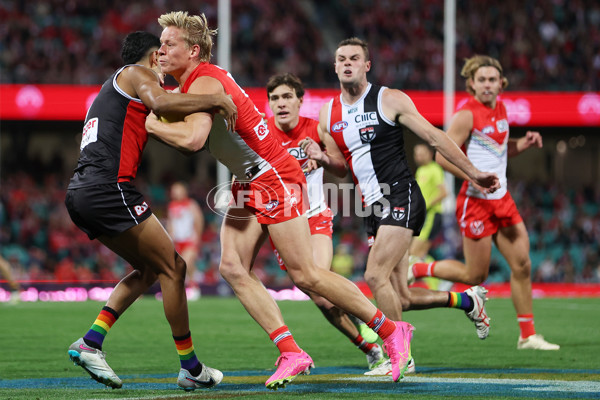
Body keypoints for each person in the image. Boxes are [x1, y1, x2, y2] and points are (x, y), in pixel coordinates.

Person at [146, 11, 415, 387]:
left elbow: (192, 141)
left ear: (193, 51)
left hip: (272, 175)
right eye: (159, 43)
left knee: (307, 275)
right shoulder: (194, 83)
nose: (160, 50)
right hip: (248, 180)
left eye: (169, 43)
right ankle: (291, 351)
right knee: (232, 267)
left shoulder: (206, 83)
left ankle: (390, 331)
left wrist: (152, 122)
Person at [300, 37, 500, 375]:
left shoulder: (388, 99)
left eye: (354, 58)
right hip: (372, 210)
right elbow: (341, 166)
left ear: (367, 65)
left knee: (374, 274)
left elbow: (435, 138)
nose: (347, 63)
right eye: (341, 59)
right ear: (334, 66)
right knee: (400, 297)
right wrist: (321, 158)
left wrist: (474, 173)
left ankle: (400, 357)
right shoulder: (327, 114)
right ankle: (468, 300)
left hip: (400, 195)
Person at [64, 31, 237, 391]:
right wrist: (217, 98)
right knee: (174, 268)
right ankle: (190, 366)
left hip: (84, 192)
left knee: (150, 269)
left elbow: (179, 132)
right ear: (155, 56)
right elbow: (161, 102)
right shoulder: (135, 73)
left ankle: (91, 342)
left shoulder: (116, 94)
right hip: (108, 188)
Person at [411, 55, 559, 350]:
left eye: (492, 80)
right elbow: (442, 156)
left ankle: (527, 336)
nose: (488, 85)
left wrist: (523, 144)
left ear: (501, 83)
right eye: (482, 80)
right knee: (474, 275)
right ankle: (417, 269)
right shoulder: (466, 115)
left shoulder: (501, 109)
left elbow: (499, 150)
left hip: (502, 200)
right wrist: (475, 176)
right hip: (476, 202)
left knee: (522, 265)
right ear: (472, 85)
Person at [265, 72, 385, 371]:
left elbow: (341, 168)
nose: (281, 103)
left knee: (318, 275)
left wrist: (322, 157)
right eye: (275, 98)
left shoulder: (316, 128)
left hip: (315, 215)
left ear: (299, 100)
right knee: (321, 300)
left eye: (287, 97)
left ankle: (371, 319)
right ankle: (367, 346)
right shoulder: (262, 133)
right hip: (283, 222)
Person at [407, 144, 450, 291]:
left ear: (430, 154)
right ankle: (439, 283)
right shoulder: (420, 170)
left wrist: (426, 205)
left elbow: (444, 192)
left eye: (421, 153)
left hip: (431, 215)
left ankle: (442, 280)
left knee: (414, 253)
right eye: (416, 153)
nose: (418, 156)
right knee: (418, 254)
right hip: (423, 216)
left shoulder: (434, 169)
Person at [167, 181, 204, 300]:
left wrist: (197, 236)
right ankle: (183, 289)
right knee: (178, 266)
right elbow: (171, 222)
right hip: (178, 240)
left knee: (187, 262)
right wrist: (170, 236)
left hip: (189, 240)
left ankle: (194, 287)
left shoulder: (191, 204)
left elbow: (199, 220)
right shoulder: (171, 205)